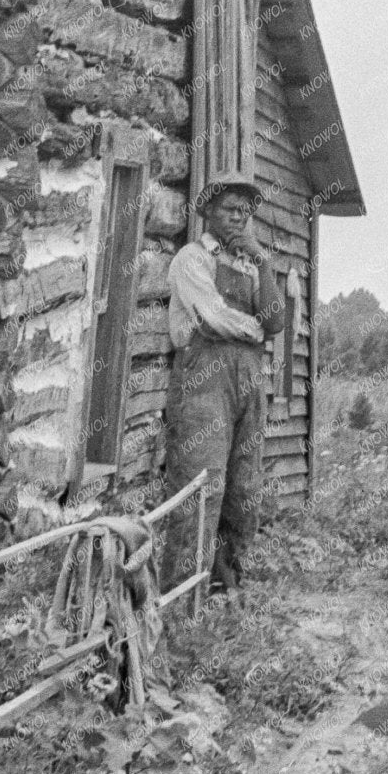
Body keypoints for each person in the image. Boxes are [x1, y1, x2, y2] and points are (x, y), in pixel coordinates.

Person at [161, 174, 289, 594]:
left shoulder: (250, 266)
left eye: (245, 211)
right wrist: (255, 331)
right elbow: (213, 320)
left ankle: (227, 583)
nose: (239, 217)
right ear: (208, 211)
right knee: (202, 481)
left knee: (244, 485)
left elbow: (275, 321)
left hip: (248, 384)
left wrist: (265, 263)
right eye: (231, 208)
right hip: (205, 381)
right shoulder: (190, 259)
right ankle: (182, 595)